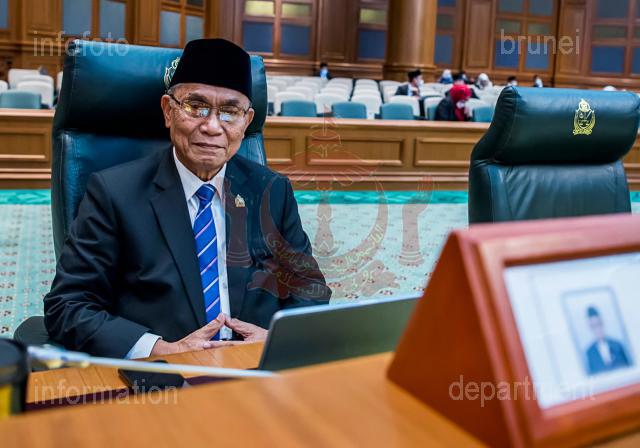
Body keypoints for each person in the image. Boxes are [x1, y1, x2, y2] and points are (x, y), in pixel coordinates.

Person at [43, 39, 331, 359]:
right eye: (196, 106)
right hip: (165, 372)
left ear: (247, 121)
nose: (212, 126)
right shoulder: (114, 193)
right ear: (169, 111)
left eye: (230, 112)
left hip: (257, 367)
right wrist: (160, 349)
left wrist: (276, 338)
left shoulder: (272, 190)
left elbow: (309, 287)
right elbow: (67, 305)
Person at [585, 306, 631, 375]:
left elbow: (629, 368)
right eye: (594, 326)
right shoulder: (590, 353)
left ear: (603, 323)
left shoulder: (617, 345)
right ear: (590, 328)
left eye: (599, 324)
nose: (597, 329)